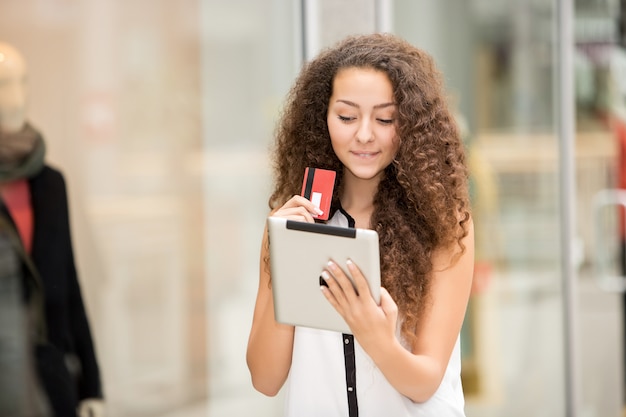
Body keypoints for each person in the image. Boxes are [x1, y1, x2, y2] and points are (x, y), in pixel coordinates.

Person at [246, 33, 474, 416]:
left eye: (385, 118)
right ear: (323, 118)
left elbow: (425, 382)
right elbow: (265, 379)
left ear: (411, 124)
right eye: (347, 116)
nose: (364, 134)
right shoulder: (293, 223)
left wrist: (375, 336)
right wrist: (283, 257)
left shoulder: (444, 226)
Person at [0, 41, 104, 417]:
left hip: (51, 384)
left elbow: (69, 286)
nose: (15, 98)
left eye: (22, 82)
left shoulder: (49, 183)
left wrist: (91, 386)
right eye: (2, 85)